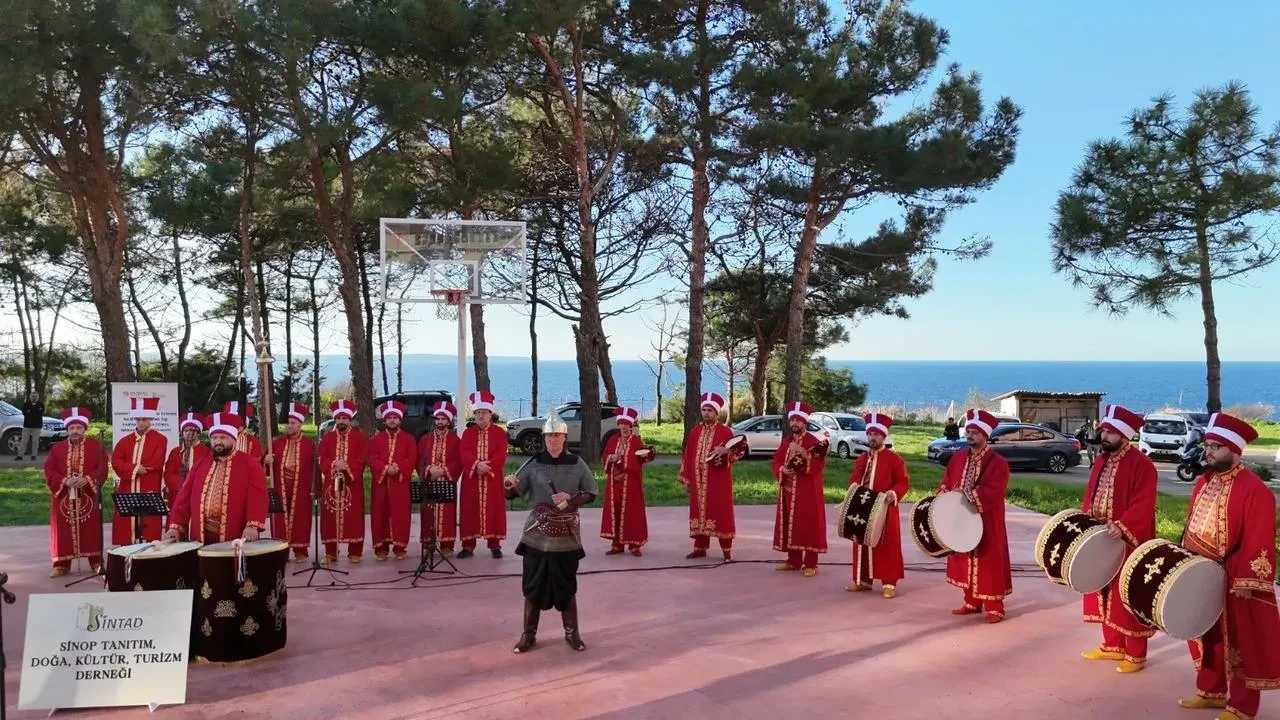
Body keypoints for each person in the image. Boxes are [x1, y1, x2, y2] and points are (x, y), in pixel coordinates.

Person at [1175, 413, 1280, 720]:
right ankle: (1210, 692)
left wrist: (1248, 580)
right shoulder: (1203, 483)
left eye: (1215, 447)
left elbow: (1259, 538)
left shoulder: (1255, 490)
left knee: (1241, 641)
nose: (1207, 452)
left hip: (1236, 578)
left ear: (1234, 451)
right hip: (1202, 574)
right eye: (1207, 445)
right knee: (1209, 636)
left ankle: (1243, 707)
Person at [504, 415, 598, 654]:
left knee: (566, 585)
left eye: (556, 435)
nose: (552, 439)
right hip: (536, 533)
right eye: (548, 435)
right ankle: (528, 634)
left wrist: (570, 500)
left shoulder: (577, 463)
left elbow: (591, 492)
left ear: (564, 437)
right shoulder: (533, 463)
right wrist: (508, 486)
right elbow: (513, 493)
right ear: (544, 437)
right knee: (532, 584)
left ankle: (572, 633)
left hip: (566, 533)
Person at [1078, 404, 1157, 673]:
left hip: (1127, 539)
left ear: (1125, 434)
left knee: (1128, 594)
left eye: (1110, 432)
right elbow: (1091, 495)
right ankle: (1112, 645)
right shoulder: (1101, 460)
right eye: (1104, 431)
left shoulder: (1142, 465)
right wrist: (1085, 520)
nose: (1104, 436)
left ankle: (1135, 654)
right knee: (1103, 589)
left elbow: (1143, 504)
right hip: (1100, 537)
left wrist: (1122, 526)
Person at [939, 408, 1012, 623]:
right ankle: (971, 602)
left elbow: (995, 491)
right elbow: (946, 480)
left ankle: (994, 607)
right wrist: (944, 493)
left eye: (975, 432)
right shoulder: (958, 458)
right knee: (965, 555)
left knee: (988, 561)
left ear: (985, 435)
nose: (970, 435)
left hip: (987, 519)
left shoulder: (999, 463)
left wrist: (969, 495)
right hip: (961, 519)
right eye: (968, 431)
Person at [164, 412, 268, 544]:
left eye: (223, 437)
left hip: (236, 534)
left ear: (233, 438)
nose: (218, 442)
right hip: (201, 536)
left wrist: (252, 525)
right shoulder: (199, 465)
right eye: (214, 438)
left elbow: (258, 496)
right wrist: (175, 527)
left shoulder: (250, 464)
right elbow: (183, 499)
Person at [847, 412, 910, 597]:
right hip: (862, 508)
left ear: (883, 436)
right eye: (870, 434)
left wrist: (893, 493)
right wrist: (853, 489)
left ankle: (889, 582)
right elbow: (854, 480)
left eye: (876, 434)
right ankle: (863, 580)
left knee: (886, 544)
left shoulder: (894, 459)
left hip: (884, 508)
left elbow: (903, 482)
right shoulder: (861, 459)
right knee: (861, 543)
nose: (872, 438)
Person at [677, 392, 743, 560]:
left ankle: (726, 551)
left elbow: (737, 453)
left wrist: (726, 451)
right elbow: (688, 456)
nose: (706, 413)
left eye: (710, 410)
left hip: (718, 482)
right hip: (697, 482)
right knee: (698, 514)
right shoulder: (695, 432)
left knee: (721, 513)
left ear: (716, 413)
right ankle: (700, 547)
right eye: (704, 409)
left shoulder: (725, 432)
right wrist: (686, 478)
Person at [43, 407, 106, 577]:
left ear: (84, 428)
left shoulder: (97, 447)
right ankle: (61, 564)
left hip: (88, 495)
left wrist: (87, 479)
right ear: (67, 429)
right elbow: (49, 470)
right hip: (64, 495)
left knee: (91, 529)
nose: (75, 431)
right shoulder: (56, 450)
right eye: (72, 428)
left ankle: (96, 561)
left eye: (78, 428)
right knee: (62, 529)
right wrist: (65, 481)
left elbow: (102, 469)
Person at [770, 402, 829, 576]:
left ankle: (811, 563)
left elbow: (818, 465)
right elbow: (776, 460)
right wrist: (782, 469)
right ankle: (793, 560)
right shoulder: (786, 441)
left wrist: (802, 452)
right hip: (788, 491)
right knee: (790, 523)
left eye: (798, 420)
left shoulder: (813, 441)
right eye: (792, 420)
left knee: (809, 524)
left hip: (807, 491)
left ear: (805, 422)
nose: (795, 424)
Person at [109, 396, 169, 544]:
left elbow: (156, 462)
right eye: (138, 419)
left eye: (144, 419)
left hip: (148, 485)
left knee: (149, 525)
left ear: (150, 419)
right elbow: (116, 461)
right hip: (128, 487)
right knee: (126, 525)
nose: (141, 422)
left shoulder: (160, 439)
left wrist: (135, 468)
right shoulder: (124, 441)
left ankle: (149, 554)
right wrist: (135, 468)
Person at [459, 390, 509, 559]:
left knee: (494, 510)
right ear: (474, 414)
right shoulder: (468, 433)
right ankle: (468, 545)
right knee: (469, 510)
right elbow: (464, 451)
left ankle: (495, 545)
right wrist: (476, 464)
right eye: (478, 412)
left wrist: (487, 467)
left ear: (490, 413)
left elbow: (501, 453)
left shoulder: (500, 433)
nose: (481, 415)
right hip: (472, 479)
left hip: (492, 479)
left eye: (484, 412)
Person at [265, 403, 317, 563]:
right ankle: (281, 549)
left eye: (293, 422)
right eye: (288, 422)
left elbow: (315, 468)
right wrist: (267, 461)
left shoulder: (310, 444)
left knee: (300, 518)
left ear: (300, 424)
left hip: (301, 487)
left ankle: (300, 550)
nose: (290, 425)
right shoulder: (277, 442)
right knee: (280, 519)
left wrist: (314, 489)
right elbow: (265, 465)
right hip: (281, 486)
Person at [318, 399, 367, 564]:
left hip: (352, 483)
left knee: (354, 517)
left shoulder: (359, 437)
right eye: (338, 418)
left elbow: (362, 458)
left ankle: (355, 551)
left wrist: (346, 466)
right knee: (330, 517)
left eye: (344, 418)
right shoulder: (327, 438)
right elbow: (321, 457)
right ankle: (331, 552)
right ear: (335, 419)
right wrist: (333, 464)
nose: (341, 421)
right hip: (331, 483)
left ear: (349, 419)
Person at [600, 406, 653, 556]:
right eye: (621, 423)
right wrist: (611, 458)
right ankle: (617, 544)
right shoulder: (612, 440)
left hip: (630, 483)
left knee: (632, 512)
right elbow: (605, 457)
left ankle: (634, 544)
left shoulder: (636, 441)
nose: (623, 426)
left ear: (631, 425)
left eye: (626, 424)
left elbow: (640, 460)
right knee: (616, 511)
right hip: (614, 483)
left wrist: (625, 461)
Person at [368, 400, 418, 561]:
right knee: (379, 514)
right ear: (384, 420)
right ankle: (381, 547)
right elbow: (372, 457)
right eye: (389, 417)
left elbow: (412, 457)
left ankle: (399, 547)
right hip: (381, 484)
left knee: (400, 514)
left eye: (395, 417)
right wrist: (385, 469)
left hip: (399, 483)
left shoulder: (409, 438)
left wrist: (398, 467)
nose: (392, 420)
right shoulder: (376, 439)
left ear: (400, 419)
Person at [418, 401, 462, 555]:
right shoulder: (425, 439)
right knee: (429, 511)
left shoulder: (456, 440)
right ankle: (429, 543)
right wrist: (429, 469)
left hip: (446, 481)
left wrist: (443, 470)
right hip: (430, 481)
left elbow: (458, 461)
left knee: (447, 512)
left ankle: (446, 544)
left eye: (444, 419)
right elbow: (419, 460)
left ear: (449, 421)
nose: (440, 421)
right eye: (438, 418)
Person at [164, 411, 211, 503]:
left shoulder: (207, 452)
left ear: (198, 433)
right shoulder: (175, 452)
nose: (189, 433)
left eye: (192, 430)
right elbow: (168, 474)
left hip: (199, 495)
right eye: (186, 430)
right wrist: (183, 484)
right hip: (178, 494)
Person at [17, 390, 44, 461]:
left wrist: (31, 412)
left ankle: (34, 455)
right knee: (24, 441)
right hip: (27, 426)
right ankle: (20, 456)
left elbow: (40, 414)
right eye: (32, 396)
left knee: (35, 441)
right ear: (30, 397)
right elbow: (24, 413)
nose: (34, 397)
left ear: (38, 397)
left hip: (37, 426)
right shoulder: (26, 404)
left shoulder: (41, 404)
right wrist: (33, 412)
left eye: (36, 396)